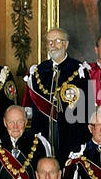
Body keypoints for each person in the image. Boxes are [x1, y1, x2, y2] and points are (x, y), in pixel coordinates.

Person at [23, 28, 90, 160]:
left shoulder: (80, 70)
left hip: (71, 136)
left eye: (58, 41)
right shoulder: (38, 71)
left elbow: (87, 110)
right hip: (43, 135)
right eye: (50, 42)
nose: (53, 45)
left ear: (66, 44)